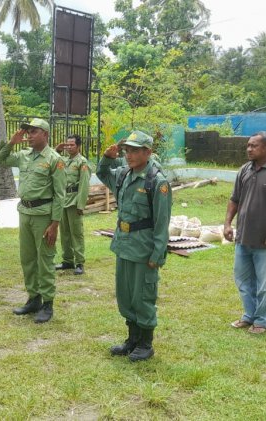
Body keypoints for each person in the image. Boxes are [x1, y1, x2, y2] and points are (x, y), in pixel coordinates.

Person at [96, 131, 171, 362]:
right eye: (127, 150)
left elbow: (161, 222)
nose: (129, 155)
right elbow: (101, 173)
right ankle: (132, 339)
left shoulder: (156, 182)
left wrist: (157, 254)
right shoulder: (123, 175)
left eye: (135, 150)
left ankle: (146, 343)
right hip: (124, 245)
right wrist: (107, 158)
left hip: (144, 248)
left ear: (147, 152)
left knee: (143, 295)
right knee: (126, 295)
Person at [223, 131, 266, 335]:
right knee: (243, 280)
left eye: (254, 146)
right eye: (248, 145)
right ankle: (249, 315)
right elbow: (234, 199)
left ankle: (262, 320)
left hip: (265, 240)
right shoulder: (244, 170)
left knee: (264, 284)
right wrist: (227, 224)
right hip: (243, 237)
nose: (249, 149)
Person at [0, 118, 65, 323]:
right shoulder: (24, 156)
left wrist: (55, 224)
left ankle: (47, 303)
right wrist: (10, 143)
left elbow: (60, 195)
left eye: (33, 131)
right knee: (27, 258)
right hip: (25, 212)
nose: (29, 135)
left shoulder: (54, 159)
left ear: (45, 134)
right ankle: (33, 298)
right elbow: (0, 160)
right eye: (27, 132)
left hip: (43, 216)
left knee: (45, 259)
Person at [54, 134, 91, 275]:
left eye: (72, 145)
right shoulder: (63, 160)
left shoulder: (82, 162)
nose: (69, 147)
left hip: (74, 201)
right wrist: (56, 150)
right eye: (67, 145)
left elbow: (84, 184)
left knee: (76, 233)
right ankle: (67, 261)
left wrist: (81, 204)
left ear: (78, 146)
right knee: (64, 233)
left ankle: (80, 262)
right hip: (63, 200)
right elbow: (50, 161)